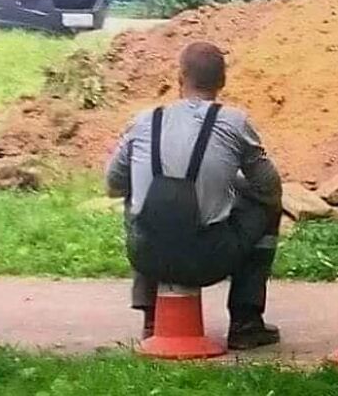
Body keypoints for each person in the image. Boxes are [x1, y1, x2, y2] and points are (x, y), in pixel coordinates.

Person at [105, 41, 282, 349]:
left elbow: (113, 184)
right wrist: (232, 185)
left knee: (135, 192)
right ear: (223, 81)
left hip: (147, 255)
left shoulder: (144, 121)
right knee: (268, 209)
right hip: (209, 260)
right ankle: (245, 321)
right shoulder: (235, 122)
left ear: (180, 77)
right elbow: (269, 188)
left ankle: (152, 317)